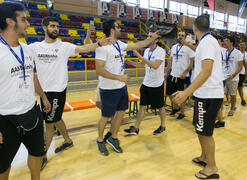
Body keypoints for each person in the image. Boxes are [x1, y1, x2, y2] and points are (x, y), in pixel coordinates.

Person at [29, 17, 111, 169]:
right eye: (52, 26)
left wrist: (99, 43)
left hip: (57, 92)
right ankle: (67, 141)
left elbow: (84, 49)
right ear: (44, 28)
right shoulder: (35, 47)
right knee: (56, 118)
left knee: (48, 124)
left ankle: (43, 156)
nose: (56, 29)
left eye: (57, 26)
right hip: (44, 92)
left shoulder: (64, 46)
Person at [0, 2, 51, 180]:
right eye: (23, 19)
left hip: (32, 112)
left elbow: (31, 75)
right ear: (10, 21)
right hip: (5, 119)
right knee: (3, 165)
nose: (28, 23)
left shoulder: (26, 49)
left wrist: (43, 96)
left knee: (37, 153)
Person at [95, 20, 160, 156]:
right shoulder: (102, 47)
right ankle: (100, 140)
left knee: (121, 112)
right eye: (118, 27)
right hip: (108, 88)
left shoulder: (120, 44)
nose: (120, 29)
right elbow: (99, 70)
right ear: (112, 30)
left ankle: (114, 137)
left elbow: (137, 45)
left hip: (121, 87)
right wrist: (119, 77)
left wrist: (151, 39)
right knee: (105, 117)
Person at [172, 14, 223, 179]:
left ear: (194, 28)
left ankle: (212, 167)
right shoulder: (207, 41)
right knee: (200, 129)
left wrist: (186, 92)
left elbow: (207, 70)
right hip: (204, 94)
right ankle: (204, 157)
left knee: (205, 132)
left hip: (209, 95)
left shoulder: (207, 42)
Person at [124, 31, 166, 135]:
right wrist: (131, 63)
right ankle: (136, 128)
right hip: (146, 83)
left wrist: (139, 56)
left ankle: (163, 125)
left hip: (157, 84)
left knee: (160, 107)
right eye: (148, 36)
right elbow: (142, 64)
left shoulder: (160, 51)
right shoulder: (147, 50)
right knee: (142, 105)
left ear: (156, 40)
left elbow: (155, 65)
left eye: (151, 37)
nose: (148, 38)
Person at [165, 30, 194, 120]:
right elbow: (170, 60)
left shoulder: (188, 48)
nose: (180, 37)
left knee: (183, 96)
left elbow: (192, 62)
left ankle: (182, 112)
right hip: (173, 75)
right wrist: (166, 71)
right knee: (169, 92)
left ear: (185, 38)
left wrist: (185, 72)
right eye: (179, 35)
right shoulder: (173, 47)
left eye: (182, 35)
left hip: (183, 77)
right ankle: (176, 107)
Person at [223, 36, 243, 116]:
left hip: (233, 78)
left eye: (226, 40)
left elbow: (240, 67)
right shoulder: (223, 52)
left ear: (231, 42)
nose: (224, 42)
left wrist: (233, 75)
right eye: (224, 41)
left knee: (232, 94)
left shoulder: (237, 53)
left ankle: (232, 109)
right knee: (223, 94)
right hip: (224, 77)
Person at [238, 42, 247, 106]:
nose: (242, 46)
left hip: (241, 73)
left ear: (245, 46)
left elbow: (246, 63)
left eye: (243, 45)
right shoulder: (237, 52)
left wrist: (246, 70)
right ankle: (228, 100)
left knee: (240, 87)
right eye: (241, 45)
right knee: (232, 87)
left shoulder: (246, 54)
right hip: (235, 72)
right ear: (239, 46)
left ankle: (242, 100)